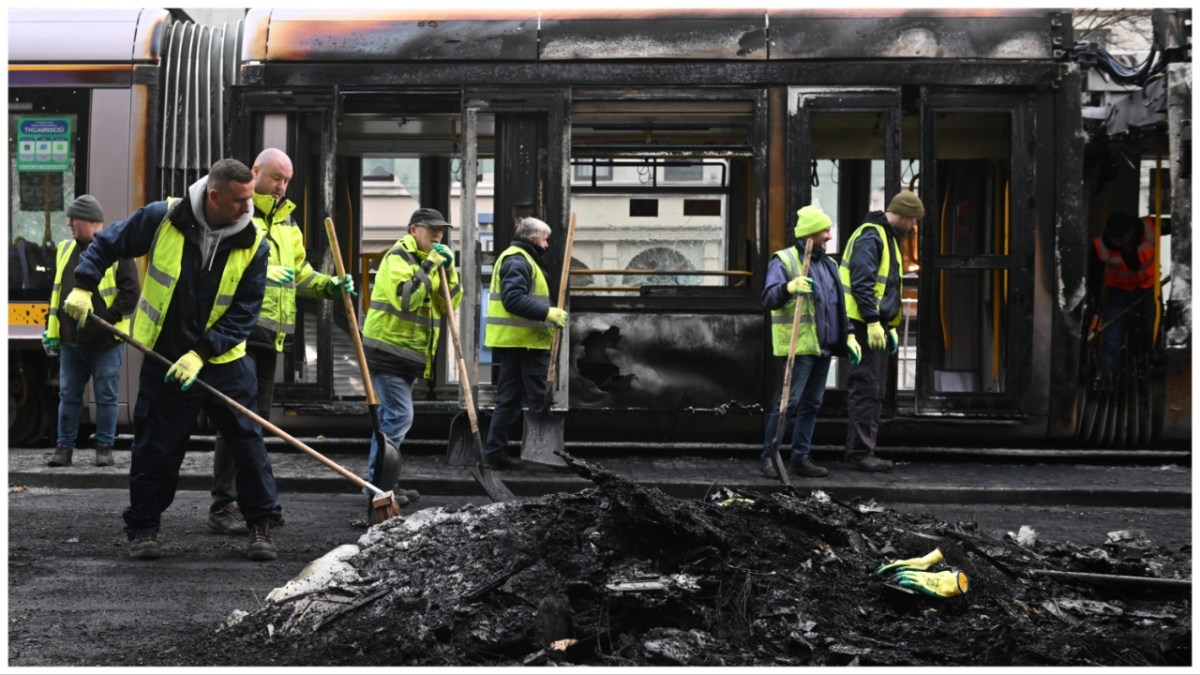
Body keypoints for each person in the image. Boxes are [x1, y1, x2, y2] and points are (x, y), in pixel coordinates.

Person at [63, 158, 284, 562]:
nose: (247, 208)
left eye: (250, 198)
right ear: (214, 195)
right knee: (156, 446)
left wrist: (201, 353)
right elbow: (108, 242)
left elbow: (245, 312)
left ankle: (262, 525)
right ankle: (144, 529)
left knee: (248, 442)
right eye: (239, 200)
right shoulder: (162, 218)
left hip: (223, 360)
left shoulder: (255, 242)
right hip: (164, 354)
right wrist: (83, 284)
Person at [207, 148, 356, 535]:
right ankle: (224, 504)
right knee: (235, 422)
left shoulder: (288, 224)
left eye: (286, 180)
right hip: (240, 334)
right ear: (256, 172)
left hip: (272, 338)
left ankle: (248, 500)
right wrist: (269, 273)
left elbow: (299, 273)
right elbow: (224, 262)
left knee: (255, 425)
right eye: (276, 178)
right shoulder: (239, 214)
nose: (281, 187)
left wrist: (330, 286)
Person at [361, 208, 462, 496]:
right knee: (400, 417)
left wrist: (449, 270)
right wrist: (431, 264)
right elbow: (407, 299)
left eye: (441, 231)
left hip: (408, 356)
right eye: (432, 230)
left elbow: (448, 305)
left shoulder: (427, 261)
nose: (438, 235)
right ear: (413, 230)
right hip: (388, 353)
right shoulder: (398, 258)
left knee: (390, 420)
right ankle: (378, 487)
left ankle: (381, 484)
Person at [760, 205, 859, 479]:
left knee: (812, 404)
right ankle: (769, 455)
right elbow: (768, 298)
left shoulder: (828, 265)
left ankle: (800, 457)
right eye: (825, 230)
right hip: (800, 346)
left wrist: (849, 334)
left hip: (823, 347)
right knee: (788, 403)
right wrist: (788, 288)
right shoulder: (785, 260)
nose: (829, 236)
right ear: (810, 234)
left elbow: (837, 307)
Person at [42, 195, 139, 468]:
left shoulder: (117, 250)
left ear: (92, 221)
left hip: (105, 342)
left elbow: (131, 293)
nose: (70, 222)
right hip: (71, 342)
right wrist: (51, 330)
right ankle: (64, 448)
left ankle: (104, 447)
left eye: (75, 218)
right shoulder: (64, 249)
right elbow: (57, 294)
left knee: (106, 397)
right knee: (68, 396)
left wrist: (107, 319)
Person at [839, 190, 924, 472]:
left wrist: (889, 325)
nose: (914, 227)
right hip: (864, 327)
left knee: (873, 390)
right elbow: (863, 283)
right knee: (867, 389)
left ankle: (863, 450)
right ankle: (859, 454)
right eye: (913, 220)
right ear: (902, 214)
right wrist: (874, 321)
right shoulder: (871, 237)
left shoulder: (886, 238)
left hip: (874, 325)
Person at [482, 216, 568, 470]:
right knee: (538, 398)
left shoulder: (517, 258)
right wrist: (547, 313)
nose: (547, 245)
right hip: (526, 344)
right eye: (545, 239)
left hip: (517, 343)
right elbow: (513, 299)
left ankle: (494, 455)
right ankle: (543, 456)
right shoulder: (518, 261)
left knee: (509, 399)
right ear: (533, 239)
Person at [1086, 211, 1157, 390]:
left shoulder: (1151, 227)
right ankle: (1105, 379)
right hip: (1118, 294)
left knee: (1148, 330)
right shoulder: (1100, 246)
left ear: (1132, 230)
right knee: (1112, 337)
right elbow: (1094, 278)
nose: (1121, 243)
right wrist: (1095, 304)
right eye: (1117, 240)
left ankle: (1145, 369)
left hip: (1147, 291)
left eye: (1124, 238)